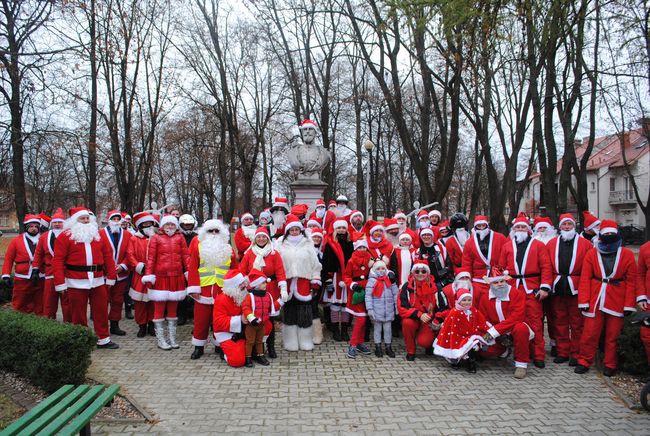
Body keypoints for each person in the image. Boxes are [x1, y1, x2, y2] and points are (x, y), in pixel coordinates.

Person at [575, 220, 637, 377]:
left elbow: (631, 281)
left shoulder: (627, 254)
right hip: (596, 298)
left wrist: (629, 305)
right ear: (601, 235)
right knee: (589, 333)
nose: (609, 236)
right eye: (606, 233)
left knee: (612, 335)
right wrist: (583, 301)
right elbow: (585, 279)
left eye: (611, 233)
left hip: (617, 298)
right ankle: (584, 360)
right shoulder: (592, 253)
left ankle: (610, 364)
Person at [52, 207, 118, 348]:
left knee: (101, 310)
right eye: (82, 218)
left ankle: (103, 339)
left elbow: (108, 256)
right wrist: (60, 282)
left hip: (98, 280)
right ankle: (81, 340)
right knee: (78, 313)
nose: (86, 221)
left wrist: (111, 275)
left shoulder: (98, 236)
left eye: (87, 218)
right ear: (75, 221)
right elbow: (57, 260)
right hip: (75, 281)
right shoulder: (65, 237)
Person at [499, 213, 552, 368]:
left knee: (535, 322)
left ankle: (539, 355)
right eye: (518, 227)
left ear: (528, 229)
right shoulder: (507, 246)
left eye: (523, 227)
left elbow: (546, 267)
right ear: (514, 229)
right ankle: (522, 354)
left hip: (532, 287)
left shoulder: (538, 245)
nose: (520, 229)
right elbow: (500, 267)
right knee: (517, 322)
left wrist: (544, 287)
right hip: (513, 288)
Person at [186, 219, 238, 359]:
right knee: (201, 320)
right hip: (203, 290)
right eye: (210, 231)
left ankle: (220, 346)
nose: (214, 233)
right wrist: (193, 289)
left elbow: (234, 269)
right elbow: (193, 269)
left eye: (217, 231)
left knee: (221, 320)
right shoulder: (198, 247)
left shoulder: (228, 249)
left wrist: (235, 289)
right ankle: (199, 347)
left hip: (223, 291)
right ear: (205, 232)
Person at [547, 214, 592, 365]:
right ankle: (562, 352)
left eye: (569, 224)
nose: (567, 227)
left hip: (576, 286)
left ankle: (576, 353)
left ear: (574, 226)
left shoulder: (585, 244)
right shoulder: (552, 244)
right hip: (558, 285)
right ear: (560, 227)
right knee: (560, 322)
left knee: (577, 323)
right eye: (564, 225)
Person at [142, 215, 190, 350]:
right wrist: (149, 276)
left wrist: (189, 273)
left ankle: (172, 338)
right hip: (160, 278)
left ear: (176, 226)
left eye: (172, 225)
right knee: (159, 309)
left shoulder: (180, 238)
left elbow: (186, 256)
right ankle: (161, 339)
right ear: (163, 226)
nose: (170, 227)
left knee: (173, 310)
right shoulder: (156, 238)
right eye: (167, 225)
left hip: (177, 277)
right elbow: (150, 259)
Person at [276, 214, 323, 351]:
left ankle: (306, 341)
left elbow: (315, 264)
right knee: (289, 313)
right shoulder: (280, 244)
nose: (295, 232)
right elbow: (277, 264)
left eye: (297, 229)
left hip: (304, 284)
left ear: (300, 230)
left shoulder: (308, 244)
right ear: (288, 231)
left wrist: (315, 280)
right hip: (288, 284)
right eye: (292, 230)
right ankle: (290, 342)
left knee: (305, 314)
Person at [238, 226, 287, 356]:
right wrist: (245, 282)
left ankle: (270, 346)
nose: (261, 239)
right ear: (255, 239)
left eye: (264, 236)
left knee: (268, 319)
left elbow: (280, 271)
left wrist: (283, 288)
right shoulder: (249, 253)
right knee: (253, 317)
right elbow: (242, 270)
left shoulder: (274, 253)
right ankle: (254, 347)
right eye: (259, 237)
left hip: (269, 288)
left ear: (267, 238)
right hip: (252, 290)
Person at [478, 267, 533, 379]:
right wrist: (491, 332)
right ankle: (503, 350)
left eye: (502, 281)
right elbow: (484, 319)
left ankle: (521, 364)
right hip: (497, 333)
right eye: (496, 282)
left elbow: (517, 317)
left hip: (513, 328)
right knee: (482, 345)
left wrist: (495, 331)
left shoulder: (516, 294)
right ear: (490, 284)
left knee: (521, 328)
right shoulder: (485, 298)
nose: (500, 284)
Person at [398, 260, 448, 361]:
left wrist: (436, 320)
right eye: (417, 271)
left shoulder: (436, 287)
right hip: (414, 317)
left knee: (424, 342)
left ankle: (429, 344)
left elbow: (444, 308)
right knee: (407, 323)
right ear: (413, 273)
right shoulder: (407, 287)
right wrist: (419, 314)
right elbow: (402, 308)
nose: (420, 274)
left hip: (429, 319)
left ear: (428, 272)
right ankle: (410, 351)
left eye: (423, 271)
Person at [433, 287, 492, 373]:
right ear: (458, 301)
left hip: (471, 335)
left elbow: (481, 322)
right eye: (464, 300)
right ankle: (455, 360)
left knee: (475, 342)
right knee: (463, 345)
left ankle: (471, 363)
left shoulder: (473, 310)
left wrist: (488, 332)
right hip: (457, 336)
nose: (467, 302)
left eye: (469, 300)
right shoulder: (454, 312)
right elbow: (450, 328)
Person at [461, 215, 507, 309]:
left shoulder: (500, 238)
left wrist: (504, 273)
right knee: (479, 306)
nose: (481, 228)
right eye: (479, 226)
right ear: (475, 227)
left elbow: (506, 256)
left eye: (483, 225)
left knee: (497, 305)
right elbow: (467, 263)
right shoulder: (469, 243)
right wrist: (467, 280)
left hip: (497, 278)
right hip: (478, 280)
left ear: (487, 225)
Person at [2, 214, 44, 315]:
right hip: (22, 276)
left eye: (36, 226)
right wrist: (6, 275)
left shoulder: (44, 239)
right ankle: (19, 322)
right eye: (31, 226)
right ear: (26, 227)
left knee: (40, 303)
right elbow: (8, 259)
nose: (34, 229)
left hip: (41, 275)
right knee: (19, 303)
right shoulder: (16, 241)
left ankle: (39, 324)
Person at [99, 210, 132, 336]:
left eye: (119, 219)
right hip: (104, 275)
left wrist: (123, 266)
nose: (116, 221)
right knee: (103, 301)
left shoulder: (128, 235)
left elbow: (130, 253)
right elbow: (98, 253)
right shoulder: (100, 234)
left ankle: (114, 325)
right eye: (114, 219)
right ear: (109, 220)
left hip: (121, 274)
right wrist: (108, 267)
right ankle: (102, 327)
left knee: (118, 301)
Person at [321, 217, 354, 340]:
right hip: (334, 276)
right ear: (335, 229)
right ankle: (335, 330)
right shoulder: (330, 244)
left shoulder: (351, 243)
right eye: (339, 227)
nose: (341, 230)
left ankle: (344, 330)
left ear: (346, 229)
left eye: (343, 227)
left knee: (345, 304)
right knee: (335, 304)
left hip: (347, 277)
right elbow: (325, 263)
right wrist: (327, 280)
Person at [33, 208, 69, 320]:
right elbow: (38, 254)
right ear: (51, 224)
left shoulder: (70, 235)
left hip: (65, 273)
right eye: (55, 222)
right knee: (49, 302)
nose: (57, 224)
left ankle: (70, 326)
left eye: (60, 222)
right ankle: (49, 325)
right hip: (50, 273)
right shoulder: (44, 237)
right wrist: (35, 268)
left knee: (67, 303)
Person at [126, 212, 158, 338]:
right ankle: (142, 325)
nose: (148, 226)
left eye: (150, 223)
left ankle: (151, 324)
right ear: (140, 226)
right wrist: (138, 266)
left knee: (153, 301)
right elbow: (130, 255)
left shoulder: (156, 238)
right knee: (139, 303)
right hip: (140, 274)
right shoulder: (134, 239)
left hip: (154, 274)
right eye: (145, 224)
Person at [242, 269, 281, 367]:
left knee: (260, 341)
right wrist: (252, 318)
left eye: (265, 283)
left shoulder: (268, 295)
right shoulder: (250, 296)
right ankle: (248, 358)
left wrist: (281, 301)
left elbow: (271, 306)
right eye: (263, 283)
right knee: (250, 341)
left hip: (262, 324)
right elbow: (246, 308)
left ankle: (260, 356)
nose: (266, 285)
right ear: (257, 284)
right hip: (252, 324)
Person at [212, 269, 251, 368]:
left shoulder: (245, 295)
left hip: (242, 331)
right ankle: (224, 351)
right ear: (233, 287)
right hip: (225, 332)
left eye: (243, 283)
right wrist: (239, 320)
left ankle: (241, 347)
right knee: (237, 361)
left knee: (266, 326)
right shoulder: (221, 299)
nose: (244, 286)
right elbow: (219, 322)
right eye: (240, 284)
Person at [343, 235, 373, 359]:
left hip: (369, 290)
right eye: (360, 247)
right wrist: (352, 284)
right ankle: (353, 344)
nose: (362, 250)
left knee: (364, 319)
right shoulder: (351, 261)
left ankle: (360, 343)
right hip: (357, 292)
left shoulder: (371, 260)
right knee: (360, 319)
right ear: (356, 248)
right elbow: (346, 276)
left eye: (364, 248)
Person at [365, 260, 399, 358]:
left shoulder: (390, 280)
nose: (381, 270)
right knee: (377, 329)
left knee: (388, 329)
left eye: (383, 268)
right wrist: (370, 309)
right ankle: (378, 347)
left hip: (388, 310)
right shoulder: (372, 281)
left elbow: (395, 293)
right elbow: (368, 296)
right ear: (374, 270)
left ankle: (388, 347)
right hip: (377, 310)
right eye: (378, 269)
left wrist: (397, 306)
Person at [636, 241, 650, 364]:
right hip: (648, 303)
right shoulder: (645, 248)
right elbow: (640, 274)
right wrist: (641, 296)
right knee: (647, 338)